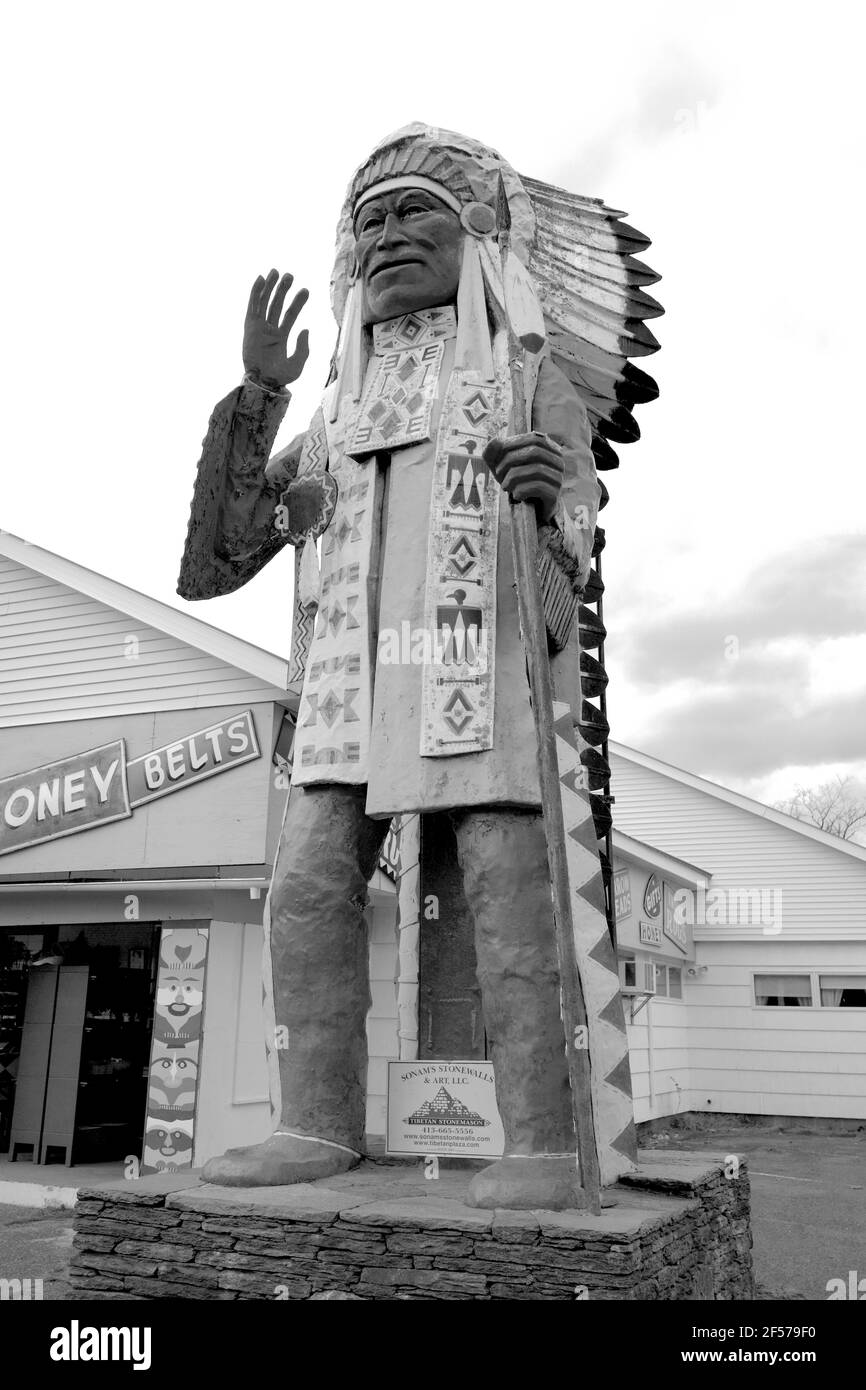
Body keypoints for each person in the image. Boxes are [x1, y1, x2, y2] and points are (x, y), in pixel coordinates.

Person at [178, 123, 657, 1207]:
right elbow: (220, 561)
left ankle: (544, 1138)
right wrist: (254, 400)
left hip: (473, 667)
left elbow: (576, 527)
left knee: (504, 891)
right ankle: (313, 1123)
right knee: (306, 888)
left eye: (414, 213)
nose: (387, 235)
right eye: (370, 221)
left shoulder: (524, 375)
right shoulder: (335, 407)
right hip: (344, 689)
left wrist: (549, 494)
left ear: (478, 234)